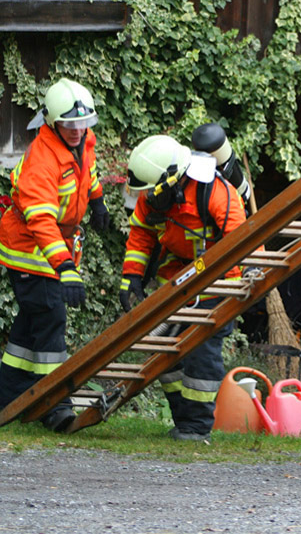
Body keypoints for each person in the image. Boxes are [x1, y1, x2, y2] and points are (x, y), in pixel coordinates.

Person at [0, 78, 109, 431]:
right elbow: (41, 220)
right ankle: (54, 404)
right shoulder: (42, 159)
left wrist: (98, 197)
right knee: (51, 321)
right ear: (52, 122)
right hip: (30, 252)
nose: (77, 130)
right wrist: (67, 268)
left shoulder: (82, 138)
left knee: (30, 327)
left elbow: (88, 170)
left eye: (82, 123)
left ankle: (10, 396)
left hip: (50, 250)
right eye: (69, 124)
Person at [121, 135, 247, 442]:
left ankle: (196, 427)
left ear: (172, 180)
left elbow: (241, 242)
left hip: (219, 286)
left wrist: (213, 286)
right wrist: (131, 279)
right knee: (165, 354)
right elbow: (141, 234)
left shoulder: (216, 194)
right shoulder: (154, 192)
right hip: (176, 284)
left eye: (152, 190)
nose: (148, 196)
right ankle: (183, 419)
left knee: (201, 353)